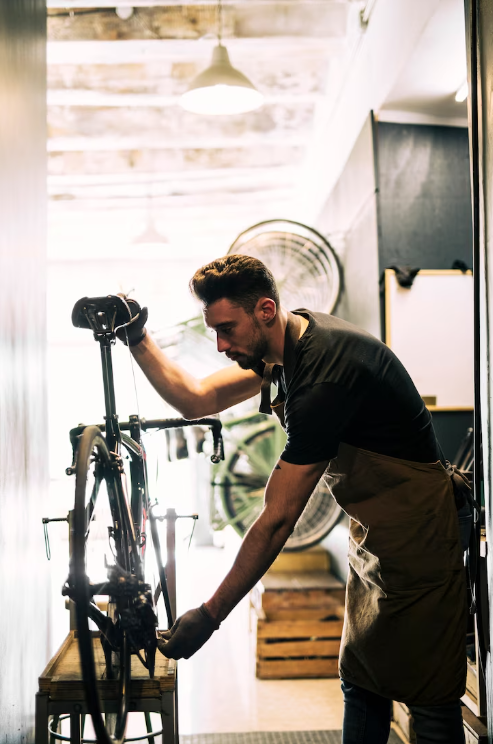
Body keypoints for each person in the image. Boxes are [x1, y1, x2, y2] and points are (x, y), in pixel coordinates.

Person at [119, 254, 470, 744]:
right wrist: (137, 337)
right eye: (214, 331)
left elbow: (278, 518)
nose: (221, 345)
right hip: (376, 534)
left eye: (227, 329)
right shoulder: (286, 348)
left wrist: (209, 615)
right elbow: (197, 398)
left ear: (265, 310)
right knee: (363, 678)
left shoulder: (325, 376)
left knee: (429, 696)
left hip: (420, 537)